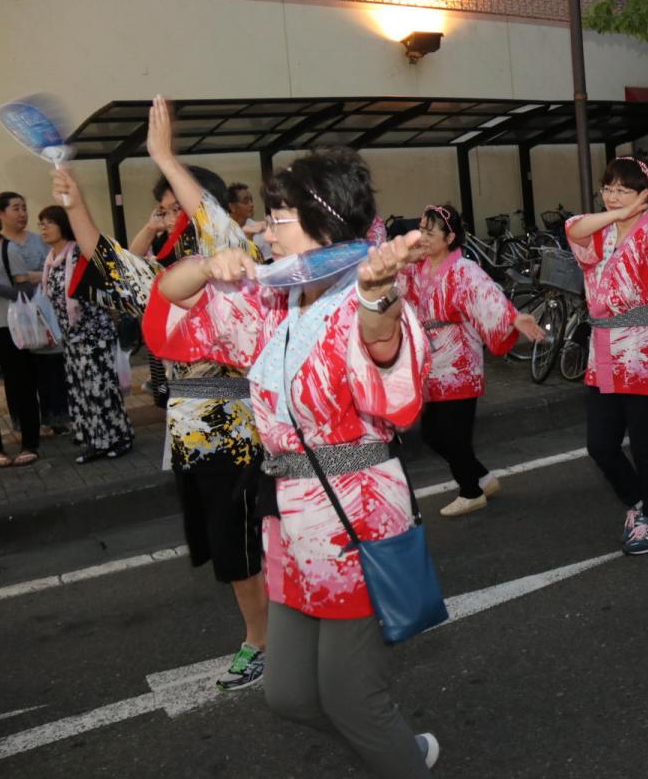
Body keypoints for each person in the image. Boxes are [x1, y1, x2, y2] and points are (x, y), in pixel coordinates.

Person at [146, 127, 440, 774]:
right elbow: (171, 298)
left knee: (349, 697)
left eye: (279, 219)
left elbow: (385, 353)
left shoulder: (361, 297)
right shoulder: (273, 301)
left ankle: (401, 756)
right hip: (289, 516)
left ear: (320, 225)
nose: (268, 232)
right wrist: (206, 263)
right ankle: (394, 750)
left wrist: (377, 294)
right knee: (287, 694)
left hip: (355, 515)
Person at [51, 104, 268, 692]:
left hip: (235, 426)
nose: (169, 216)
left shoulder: (235, 267)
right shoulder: (166, 280)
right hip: (188, 430)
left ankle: (261, 639)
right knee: (220, 540)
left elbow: (214, 223)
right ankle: (273, 617)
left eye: (178, 207)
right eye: (165, 208)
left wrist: (167, 158)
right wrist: (76, 206)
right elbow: (108, 264)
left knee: (237, 540)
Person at [565, 151, 648, 555]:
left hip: (646, 345)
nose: (612, 196)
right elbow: (574, 229)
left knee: (646, 441)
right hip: (605, 351)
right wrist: (620, 212)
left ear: (644, 195)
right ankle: (639, 503)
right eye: (608, 188)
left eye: (623, 190)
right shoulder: (598, 230)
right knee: (600, 443)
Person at [396, 202, 543, 517]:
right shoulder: (415, 268)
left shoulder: (464, 270)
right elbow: (392, 288)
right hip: (430, 361)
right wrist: (400, 260)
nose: (422, 235)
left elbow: (487, 296)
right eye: (420, 229)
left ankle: (471, 490)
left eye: (429, 231)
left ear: (449, 238)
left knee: (451, 434)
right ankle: (482, 477)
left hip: (460, 358)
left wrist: (513, 317)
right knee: (433, 433)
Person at [36, 205, 133, 462]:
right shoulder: (52, 260)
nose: (43, 228)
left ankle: (118, 437)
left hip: (94, 333)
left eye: (49, 222)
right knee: (80, 390)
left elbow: (103, 286)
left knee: (101, 389)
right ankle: (94, 440)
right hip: (71, 337)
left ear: (64, 225)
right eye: (41, 223)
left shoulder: (78, 254)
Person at [0, 191, 70, 435]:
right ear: (0, 214)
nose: (22, 213)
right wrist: (36, 275)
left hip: (44, 314)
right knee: (19, 374)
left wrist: (29, 276)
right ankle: (24, 422)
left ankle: (56, 418)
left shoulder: (39, 240)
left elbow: (53, 268)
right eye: (16, 208)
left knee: (50, 368)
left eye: (24, 207)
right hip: (12, 318)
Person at [0, 215, 41, 467]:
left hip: (8, 326)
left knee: (20, 386)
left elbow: (25, 290)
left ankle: (30, 443)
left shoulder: (7, 249)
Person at [228, 182, 271, 259]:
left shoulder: (259, 229)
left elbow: (268, 260)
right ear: (232, 207)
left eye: (251, 200)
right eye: (245, 201)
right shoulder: (221, 229)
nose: (251, 204)